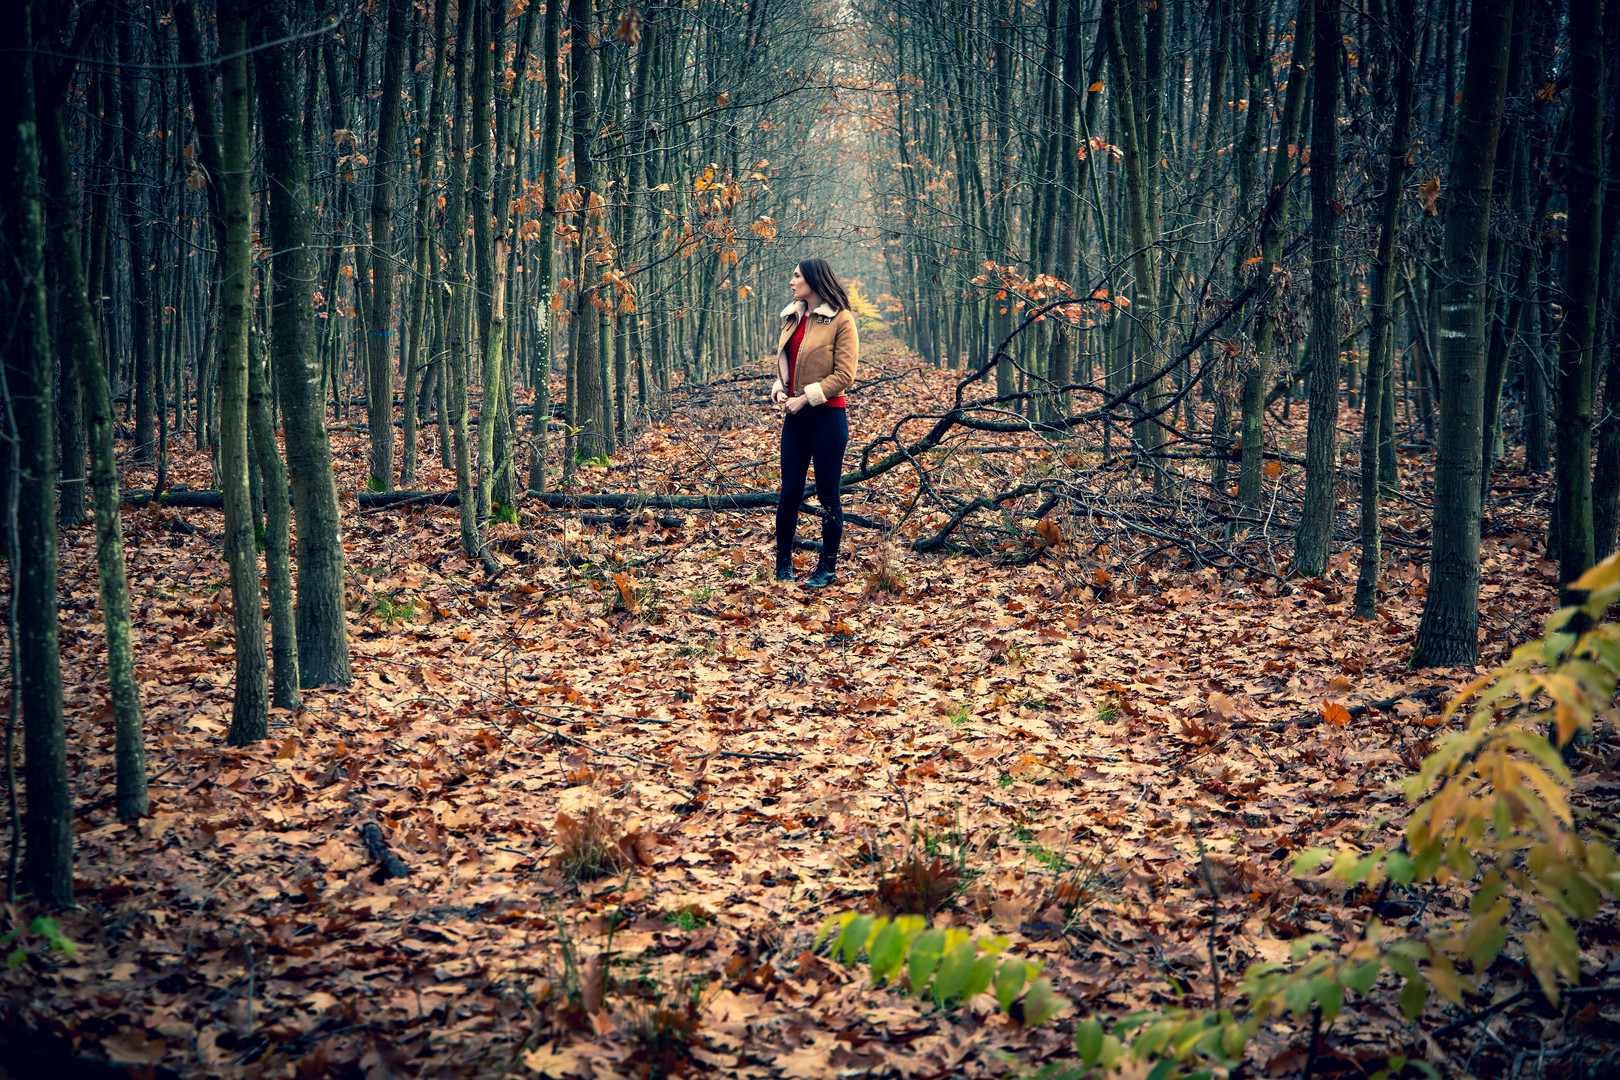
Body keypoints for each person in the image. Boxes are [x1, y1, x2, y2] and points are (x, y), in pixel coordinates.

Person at [771, 258, 858, 589]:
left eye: (796, 276)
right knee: (790, 492)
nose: (792, 282)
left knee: (827, 494)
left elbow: (844, 375)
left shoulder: (842, 320)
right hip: (795, 417)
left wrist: (806, 397)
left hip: (828, 417)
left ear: (813, 280)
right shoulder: (792, 316)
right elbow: (786, 364)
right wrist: (780, 388)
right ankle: (783, 565)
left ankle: (827, 567)